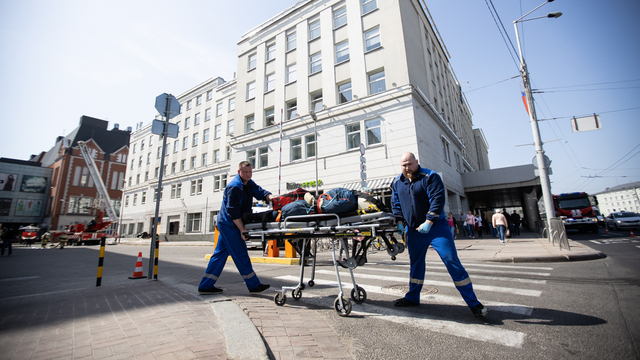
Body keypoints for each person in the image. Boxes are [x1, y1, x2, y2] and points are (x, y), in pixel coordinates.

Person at [391, 152, 488, 317]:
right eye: (404, 165)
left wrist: (429, 221)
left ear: (417, 162)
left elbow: (437, 199)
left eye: (410, 164)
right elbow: (396, 203)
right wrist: (400, 222)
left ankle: (474, 303)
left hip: (436, 228)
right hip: (414, 231)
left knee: (451, 261)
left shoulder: (430, 176)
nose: (407, 168)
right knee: (416, 265)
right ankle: (413, 297)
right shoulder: (396, 182)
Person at [198, 161, 274, 294]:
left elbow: (259, 191)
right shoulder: (235, 187)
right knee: (241, 254)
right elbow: (233, 213)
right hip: (230, 224)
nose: (248, 174)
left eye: (250, 172)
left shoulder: (247, 183)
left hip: (227, 223)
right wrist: (242, 230)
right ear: (239, 172)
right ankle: (253, 285)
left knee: (220, 255)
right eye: (245, 172)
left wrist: (271, 197)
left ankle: (206, 285)